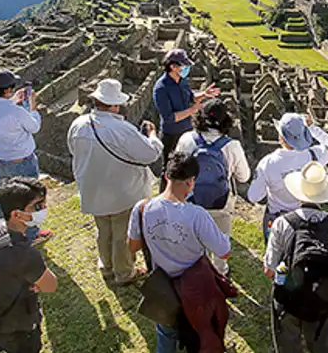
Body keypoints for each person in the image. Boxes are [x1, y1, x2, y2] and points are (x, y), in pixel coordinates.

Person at [128, 154, 232, 353]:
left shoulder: (142, 208)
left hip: (162, 287)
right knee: (196, 343)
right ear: (191, 181)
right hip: (195, 291)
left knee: (165, 338)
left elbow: (133, 246)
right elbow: (224, 251)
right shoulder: (196, 215)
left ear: (166, 176)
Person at [265, 161, 328, 353]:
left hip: (290, 298)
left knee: (289, 341)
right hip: (323, 298)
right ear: (324, 195)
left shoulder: (283, 223)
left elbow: (269, 269)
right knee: (322, 339)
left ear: (298, 193)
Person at [69, 79, 162, 285]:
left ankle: (107, 266)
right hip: (122, 191)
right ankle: (124, 273)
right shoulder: (122, 129)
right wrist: (153, 136)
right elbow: (150, 154)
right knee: (122, 234)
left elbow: (73, 151)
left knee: (103, 230)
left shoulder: (78, 125)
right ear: (114, 105)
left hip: (93, 188)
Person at [0, 177, 58, 353]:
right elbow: (51, 285)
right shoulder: (24, 253)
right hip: (18, 323)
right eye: (37, 206)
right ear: (17, 214)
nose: (43, 208)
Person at [173, 98, 250, 276]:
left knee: (194, 237)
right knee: (220, 238)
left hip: (191, 199)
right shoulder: (232, 145)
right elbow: (244, 176)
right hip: (220, 202)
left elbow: (177, 168)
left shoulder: (186, 139)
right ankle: (220, 271)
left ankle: (196, 269)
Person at [0, 68, 50, 243]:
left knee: (2, 195)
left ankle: (0, 232)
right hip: (22, 161)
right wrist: (32, 106)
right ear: (7, 90)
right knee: (29, 199)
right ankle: (30, 236)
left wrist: (12, 101)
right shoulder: (15, 112)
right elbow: (34, 126)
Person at [247, 112, 328, 242]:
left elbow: (254, 196)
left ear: (281, 138)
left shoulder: (268, 163)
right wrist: (313, 128)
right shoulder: (314, 156)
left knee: (274, 256)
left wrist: (269, 188)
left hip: (277, 218)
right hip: (305, 219)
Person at [152, 48, 220, 168]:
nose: (186, 68)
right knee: (170, 170)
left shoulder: (182, 81)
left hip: (188, 132)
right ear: (173, 66)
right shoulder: (161, 88)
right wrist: (192, 110)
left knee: (189, 167)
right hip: (172, 136)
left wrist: (204, 94)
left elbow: (191, 97)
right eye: (184, 65)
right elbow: (169, 118)